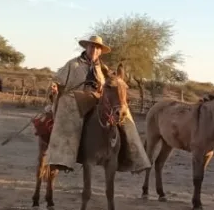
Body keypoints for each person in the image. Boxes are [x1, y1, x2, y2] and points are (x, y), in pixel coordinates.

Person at [45, 35, 150, 174]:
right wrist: (54, 87)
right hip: (76, 96)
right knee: (68, 107)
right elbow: (57, 80)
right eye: (92, 46)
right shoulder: (72, 64)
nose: (94, 50)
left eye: (98, 48)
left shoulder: (103, 68)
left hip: (98, 97)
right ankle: (62, 158)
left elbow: (111, 82)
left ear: (100, 51)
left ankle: (136, 158)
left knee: (124, 112)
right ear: (86, 48)